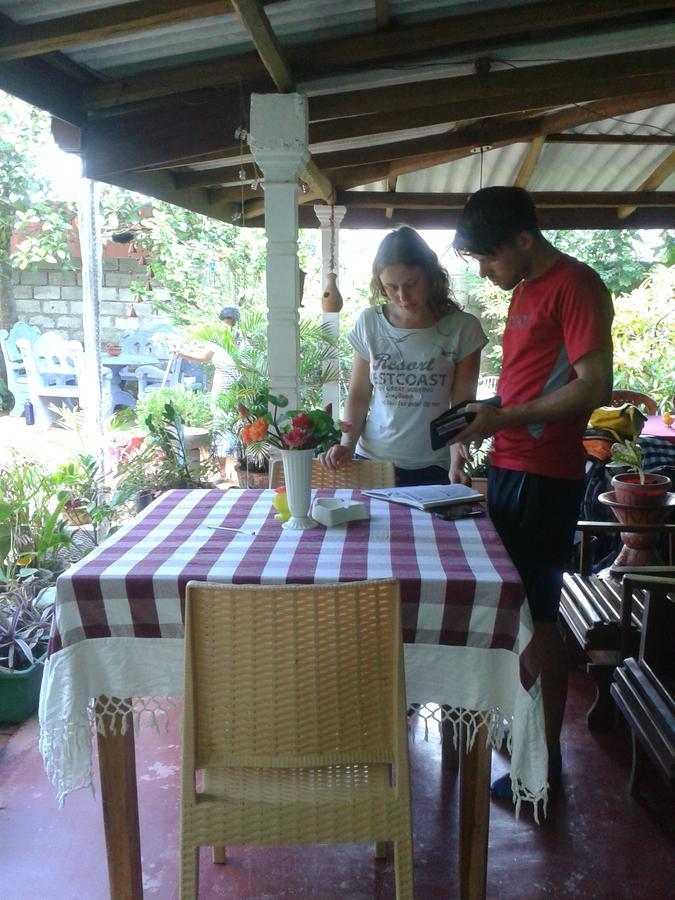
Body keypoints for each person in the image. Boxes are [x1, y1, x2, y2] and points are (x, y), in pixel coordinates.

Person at [450, 187, 614, 798]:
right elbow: (529, 387)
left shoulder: (577, 284)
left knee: (540, 616)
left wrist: (505, 418)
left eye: (489, 259)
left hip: (547, 474)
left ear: (523, 239)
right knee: (515, 609)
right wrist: (486, 414)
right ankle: (525, 738)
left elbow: (594, 385)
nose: (486, 271)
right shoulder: (523, 290)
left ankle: (544, 767)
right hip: (512, 466)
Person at [319, 226, 487, 486]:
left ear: (430, 276)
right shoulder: (370, 322)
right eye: (391, 287)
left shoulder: (463, 328)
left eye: (411, 284)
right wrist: (347, 445)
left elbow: (460, 406)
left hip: (434, 465)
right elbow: (359, 394)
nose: (402, 296)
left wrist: (457, 464)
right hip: (371, 461)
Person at [173, 306, 240, 481]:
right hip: (220, 389)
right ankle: (222, 472)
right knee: (220, 426)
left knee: (240, 426)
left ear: (235, 322)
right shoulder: (215, 339)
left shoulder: (242, 339)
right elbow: (204, 357)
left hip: (239, 388)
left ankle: (242, 470)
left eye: (229, 321)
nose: (226, 324)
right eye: (224, 321)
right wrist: (181, 353)